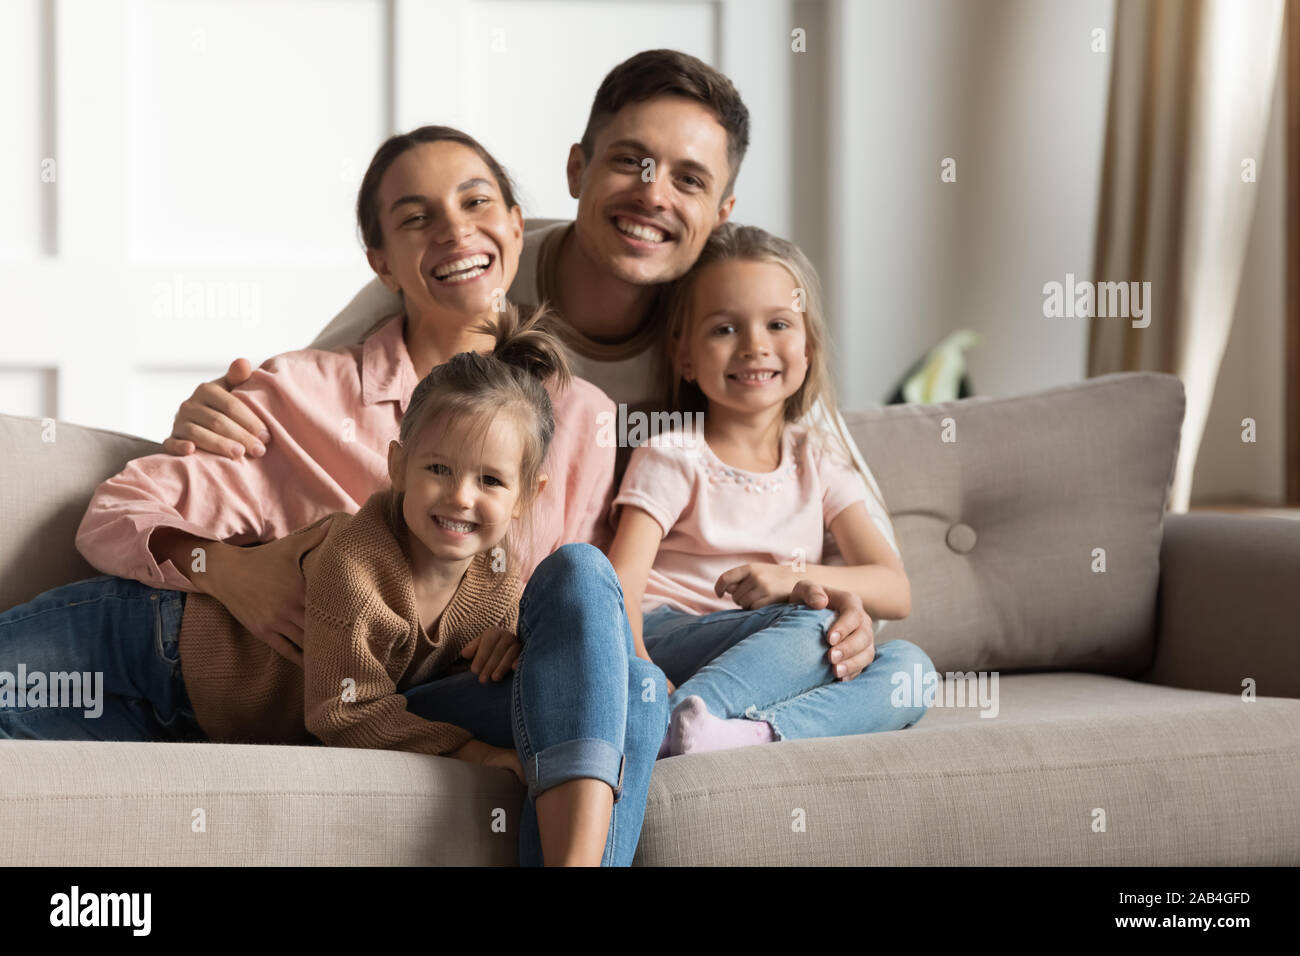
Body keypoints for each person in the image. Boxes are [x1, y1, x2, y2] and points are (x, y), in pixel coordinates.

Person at [3, 125, 666, 866]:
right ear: (380, 261)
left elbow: (573, 609)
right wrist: (228, 570)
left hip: (387, 698)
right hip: (188, 655)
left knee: (634, 693)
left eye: (476, 201)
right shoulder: (303, 392)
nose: (454, 228)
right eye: (417, 217)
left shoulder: (585, 420)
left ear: (518, 225)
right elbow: (120, 510)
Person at [164, 48, 890, 684]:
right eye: (629, 160)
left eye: (689, 180)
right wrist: (217, 413)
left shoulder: (730, 328)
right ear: (577, 168)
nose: (653, 192)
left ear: (722, 209)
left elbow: (838, 504)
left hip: (652, 618)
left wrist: (831, 605)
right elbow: (329, 391)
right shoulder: (479, 267)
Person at [607, 224, 935, 756]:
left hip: (778, 645)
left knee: (912, 670)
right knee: (815, 627)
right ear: (684, 354)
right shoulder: (672, 452)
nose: (755, 346)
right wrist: (639, 669)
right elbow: (619, 583)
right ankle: (666, 722)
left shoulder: (819, 458)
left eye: (778, 324)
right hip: (674, 636)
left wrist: (789, 578)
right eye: (724, 329)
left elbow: (894, 589)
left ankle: (741, 734)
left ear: (808, 348)